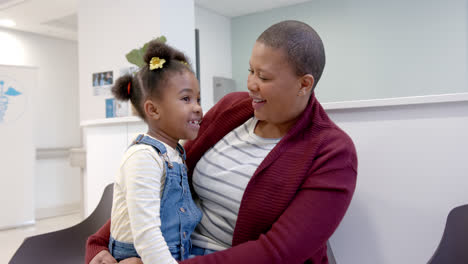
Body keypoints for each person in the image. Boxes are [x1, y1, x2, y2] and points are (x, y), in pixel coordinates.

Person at [86, 20, 357, 264]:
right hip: (171, 251)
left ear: (304, 84)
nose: (251, 84)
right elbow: (163, 185)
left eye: (263, 77)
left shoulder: (332, 152)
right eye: (250, 70)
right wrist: (103, 246)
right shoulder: (232, 108)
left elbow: (279, 252)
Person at [105, 40, 203, 264]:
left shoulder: (175, 153)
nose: (197, 107)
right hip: (141, 257)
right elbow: (146, 234)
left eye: (198, 99)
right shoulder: (143, 157)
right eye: (186, 99)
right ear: (153, 109)